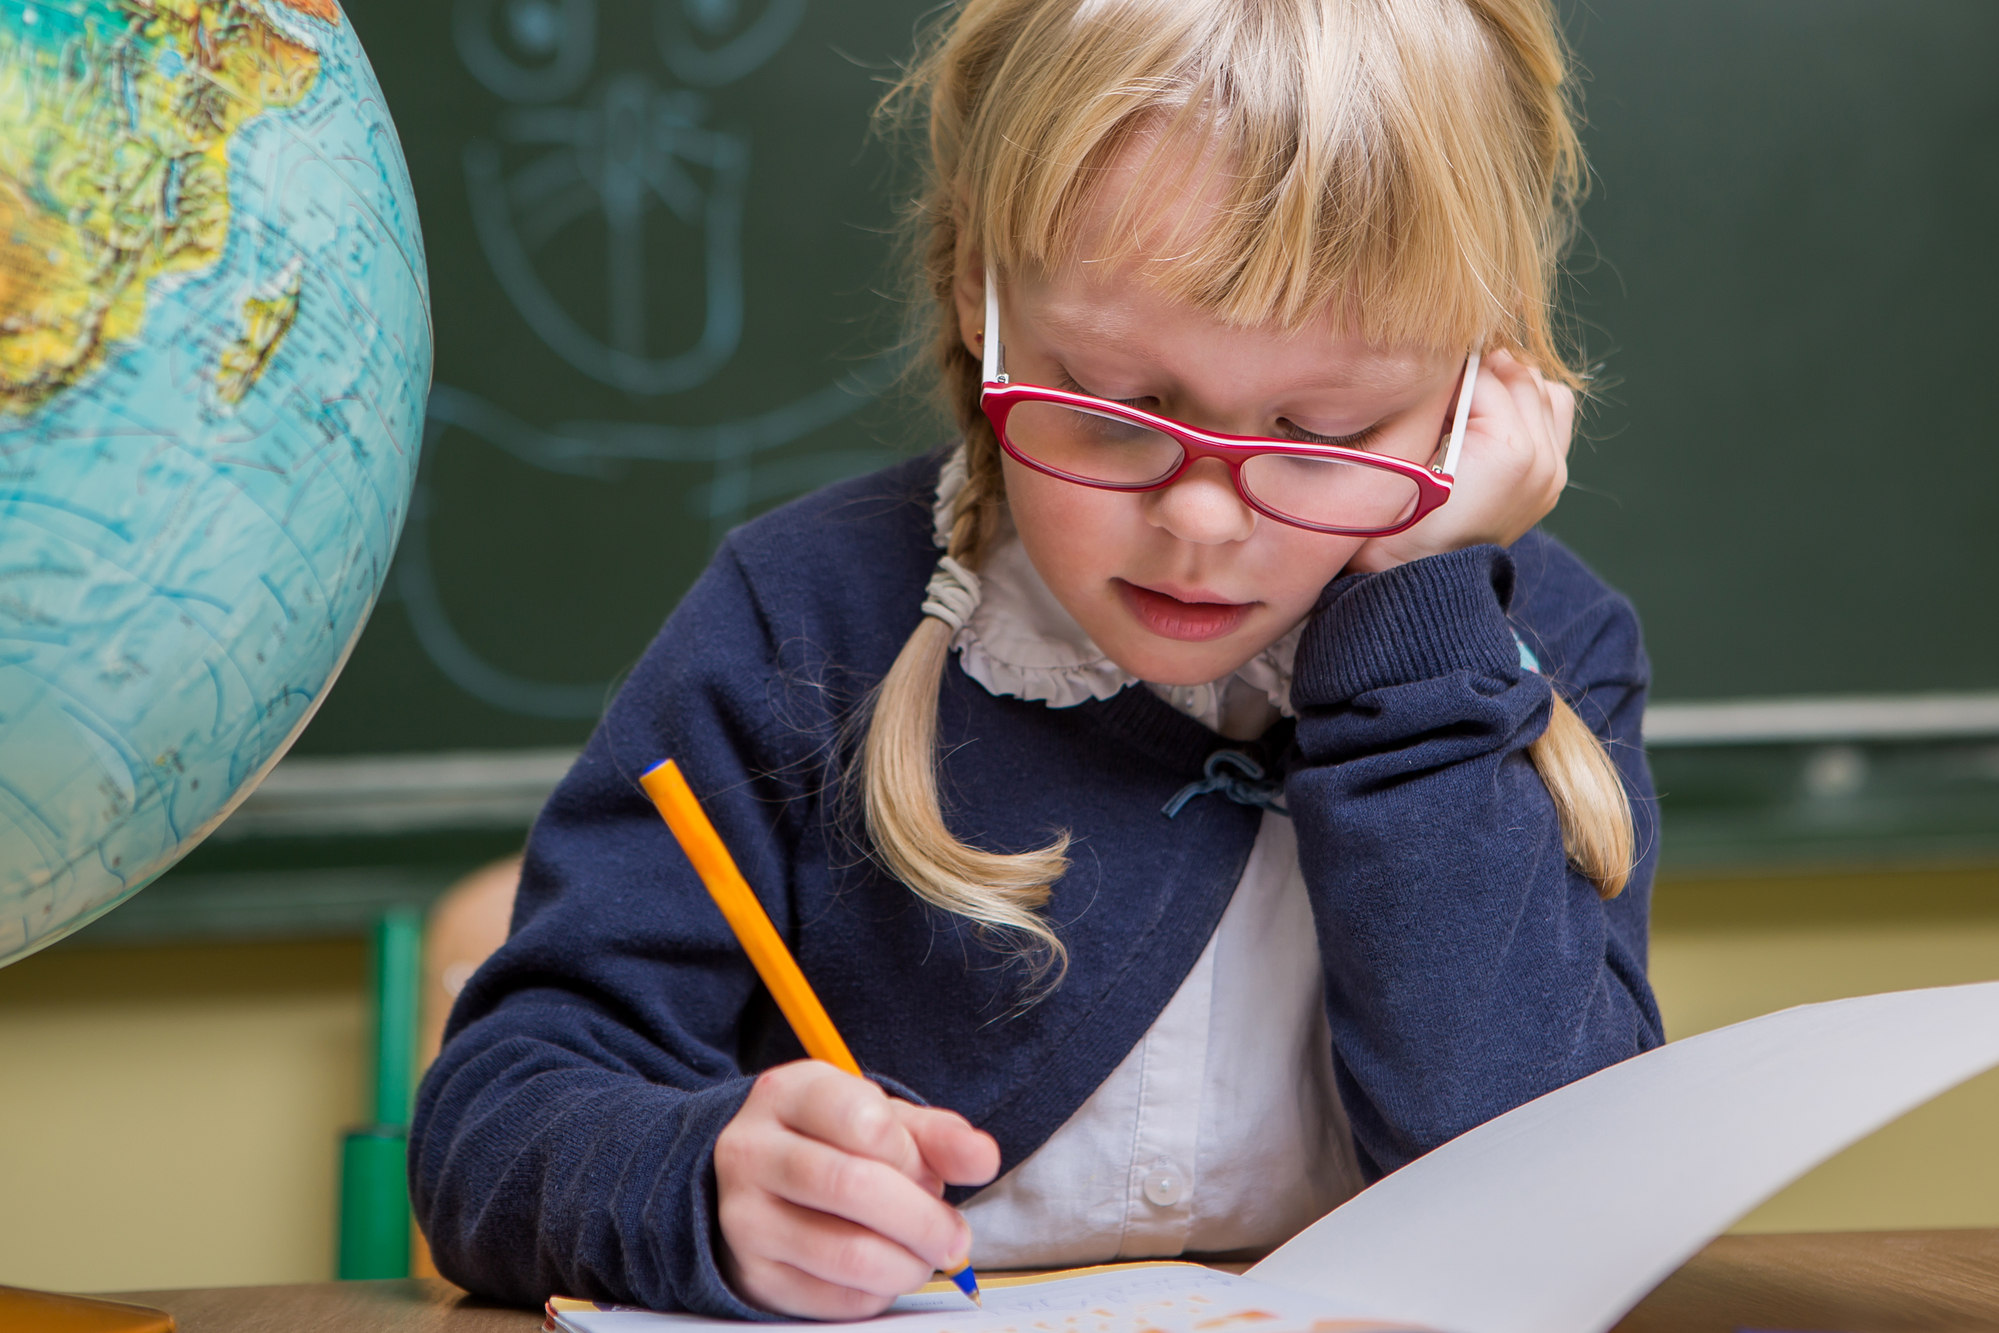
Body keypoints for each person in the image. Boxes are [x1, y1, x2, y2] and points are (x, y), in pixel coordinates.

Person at [410, 0, 1664, 1318]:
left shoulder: (1540, 661)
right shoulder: (801, 620)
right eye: (1119, 404)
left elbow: (1556, 1196)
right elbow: (494, 1123)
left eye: (1324, 427)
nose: (1201, 518)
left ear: (1482, 388)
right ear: (979, 295)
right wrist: (702, 1181)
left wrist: (1417, 624)